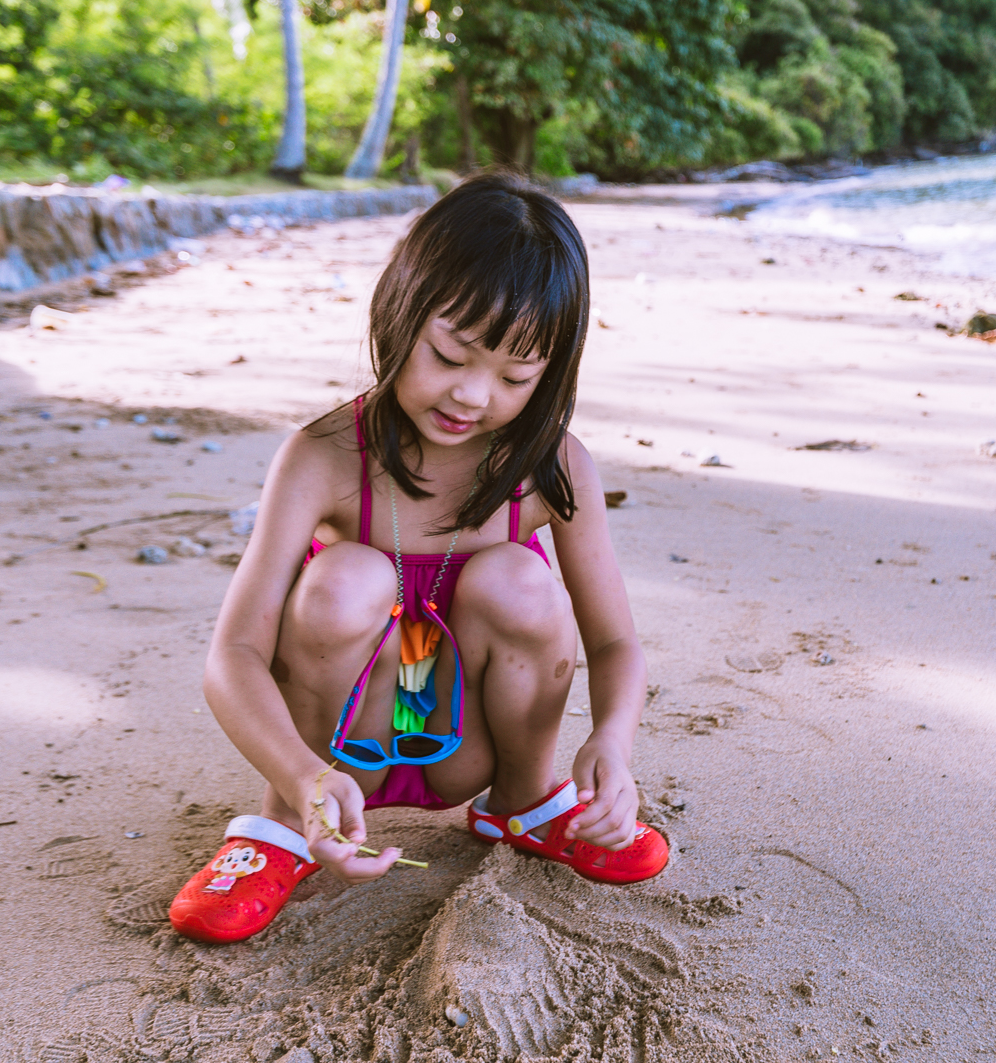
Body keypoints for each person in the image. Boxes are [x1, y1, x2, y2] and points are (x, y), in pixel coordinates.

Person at [168, 172, 668, 943]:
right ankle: (282, 830)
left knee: (519, 581)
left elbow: (612, 642)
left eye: (514, 377)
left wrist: (612, 741)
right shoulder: (322, 457)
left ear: (550, 375)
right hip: (343, 756)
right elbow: (231, 654)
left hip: (464, 742)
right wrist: (304, 779)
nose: (472, 395)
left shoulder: (553, 466)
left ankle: (527, 804)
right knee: (346, 577)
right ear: (402, 311)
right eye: (449, 354)